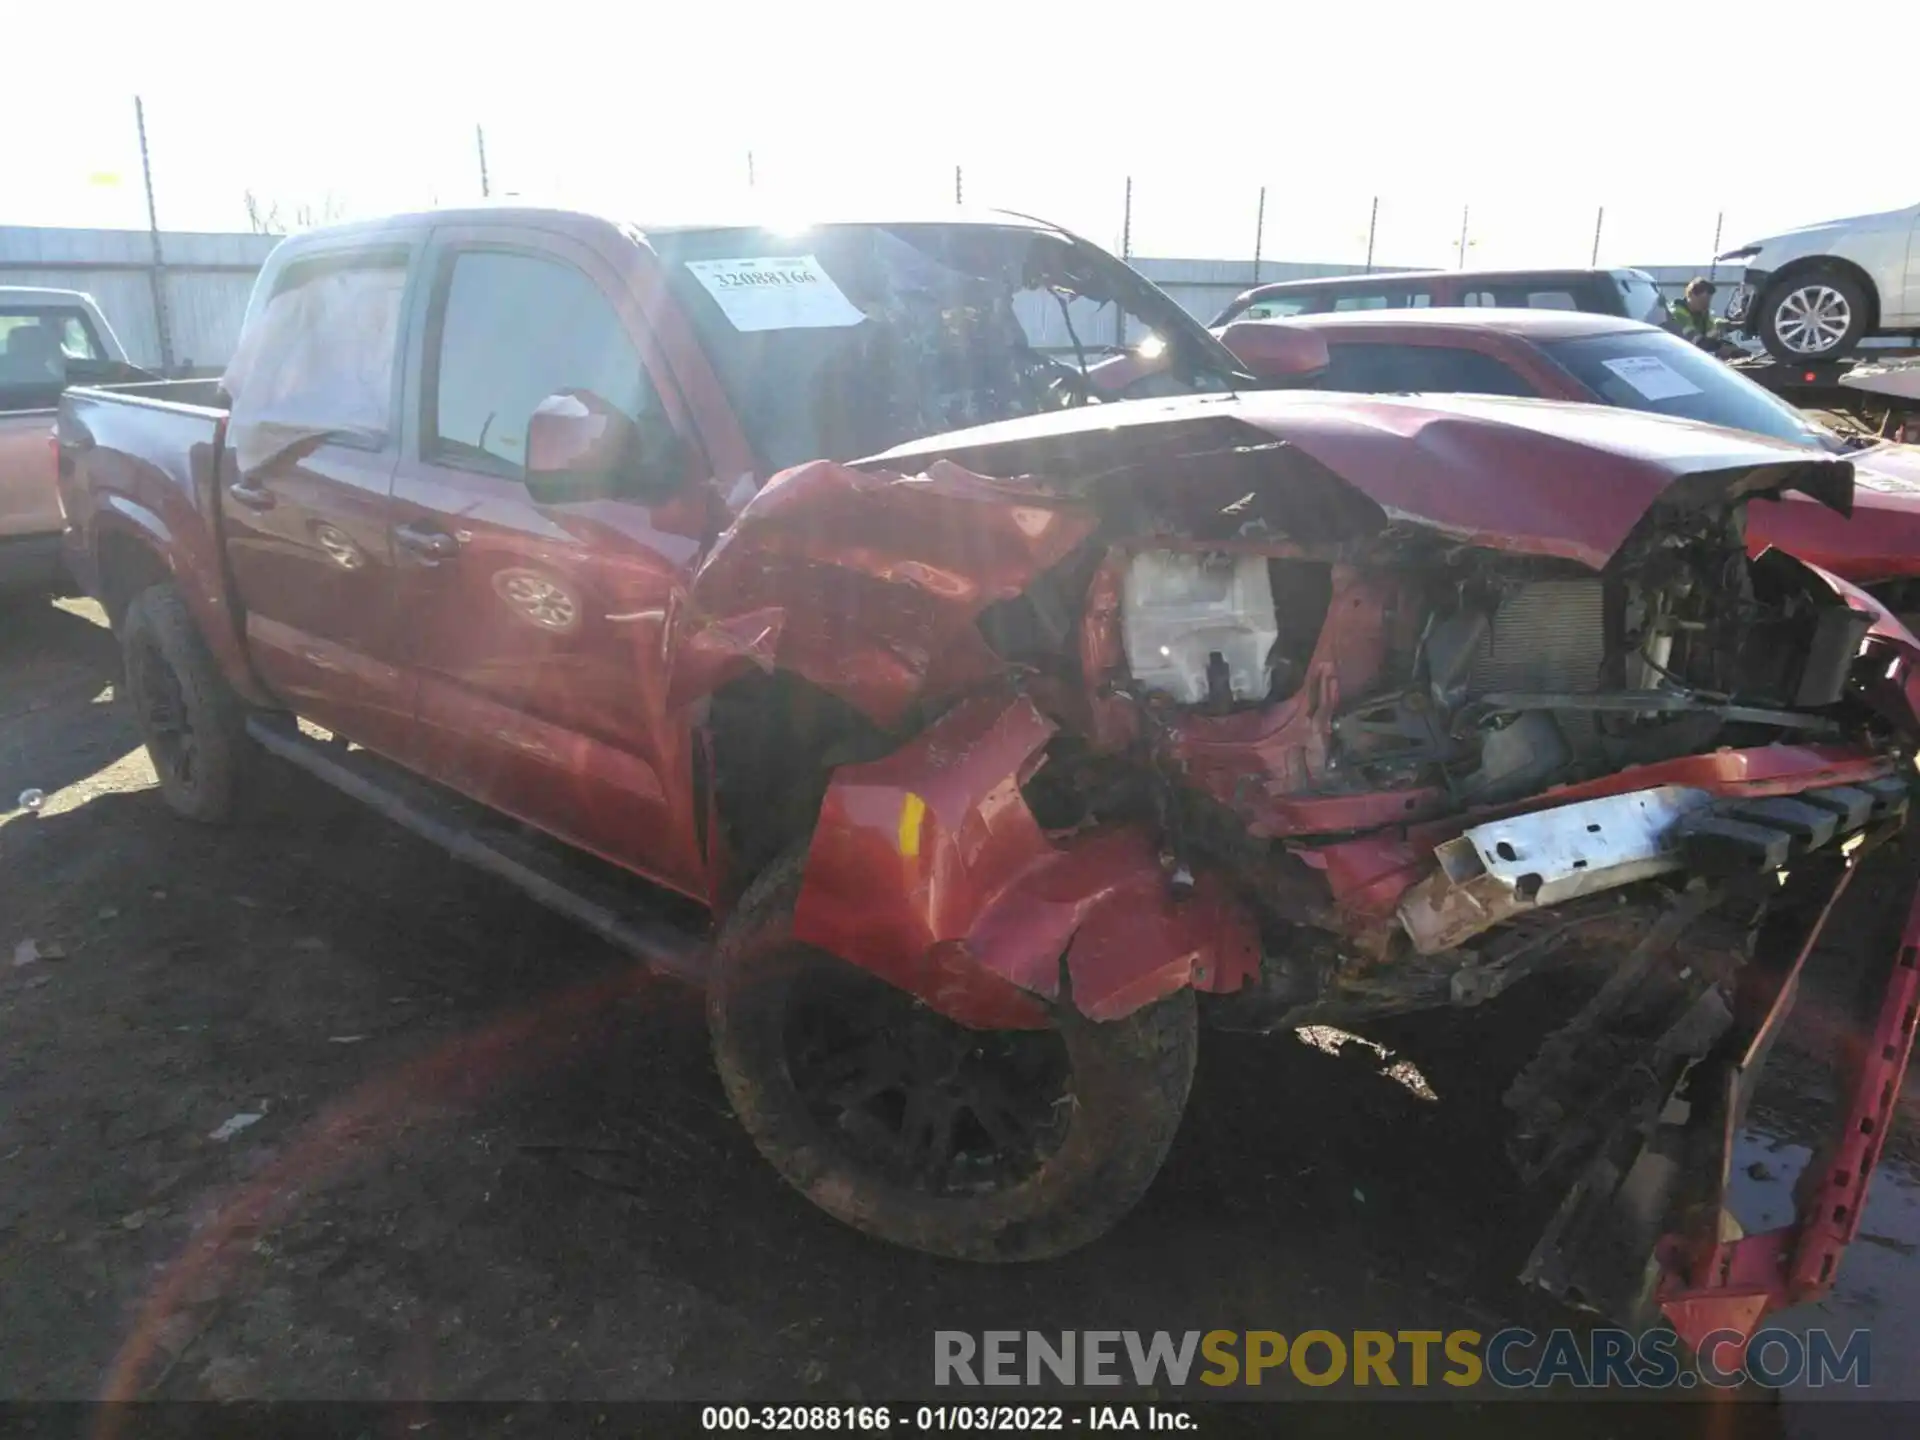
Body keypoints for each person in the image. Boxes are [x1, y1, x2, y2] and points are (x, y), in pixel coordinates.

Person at [1669, 278, 1726, 349]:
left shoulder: (1701, 313)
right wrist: (1720, 347)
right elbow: (1695, 340)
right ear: (1690, 295)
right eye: (1702, 301)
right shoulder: (1678, 313)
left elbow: (1711, 330)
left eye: (1708, 301)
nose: (1706, 305)